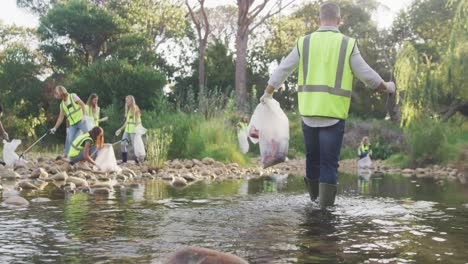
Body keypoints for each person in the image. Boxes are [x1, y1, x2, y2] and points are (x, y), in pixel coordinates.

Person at [261, 2, 396, 208]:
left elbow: (283, 69)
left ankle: (313, 204)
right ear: (339, 21)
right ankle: (325, 212)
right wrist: (387, 87)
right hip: (333, 116)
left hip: (309, 114)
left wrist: (268, 92)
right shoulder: (347, 44)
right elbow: (368, 76)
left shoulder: (304, 43)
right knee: (329, 163)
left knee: (312, 160)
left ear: (318, 20)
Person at [50, 86, 87, 157]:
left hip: (81, 121)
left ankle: (91, 154)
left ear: (60, 92)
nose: (56, 95)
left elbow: (82, 105)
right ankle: (76, 156)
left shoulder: (73, 96)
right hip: (73, 124)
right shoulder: (62, 105)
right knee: (71, 140)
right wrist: (55, 128)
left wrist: (84, 116)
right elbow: (60, 118)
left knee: (88, 137)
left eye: (56, 93)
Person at [115, 95, 142, 164]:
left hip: (133, 131)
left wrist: (136, 130)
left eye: (127, 100)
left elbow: (138, 121)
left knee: (134, 145)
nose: (126, 102)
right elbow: (126, 122)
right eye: (126, 100)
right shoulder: (129, 110)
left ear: (131, 101)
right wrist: (120, 129)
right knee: (123, 144)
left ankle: (137, 160)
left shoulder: (136, 109)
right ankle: (124, 160)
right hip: (127, 130)